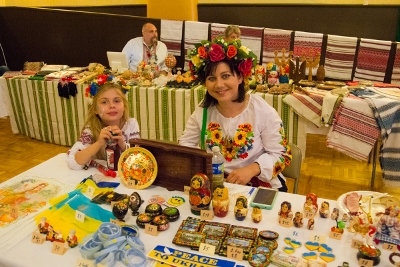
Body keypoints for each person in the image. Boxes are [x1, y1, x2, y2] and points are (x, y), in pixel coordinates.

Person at [180, 38, 292, 191]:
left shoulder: (262, 111)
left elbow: (282, 156)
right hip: (217, 185)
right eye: (211, 78)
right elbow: (185, 147)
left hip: (259, 186)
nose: (219, 84)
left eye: (225, 76)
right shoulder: (203, 110)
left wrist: (252, 169)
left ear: (240, 77)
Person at [66, 75, 140, 170]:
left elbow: (139, 159)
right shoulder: (91, 129)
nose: (112, 105)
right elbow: (74, 163)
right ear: (95, 109)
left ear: (124, 105)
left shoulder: (131, 124)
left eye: (117, 101)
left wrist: (123, 145)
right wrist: (99, 143)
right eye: (104, 102)